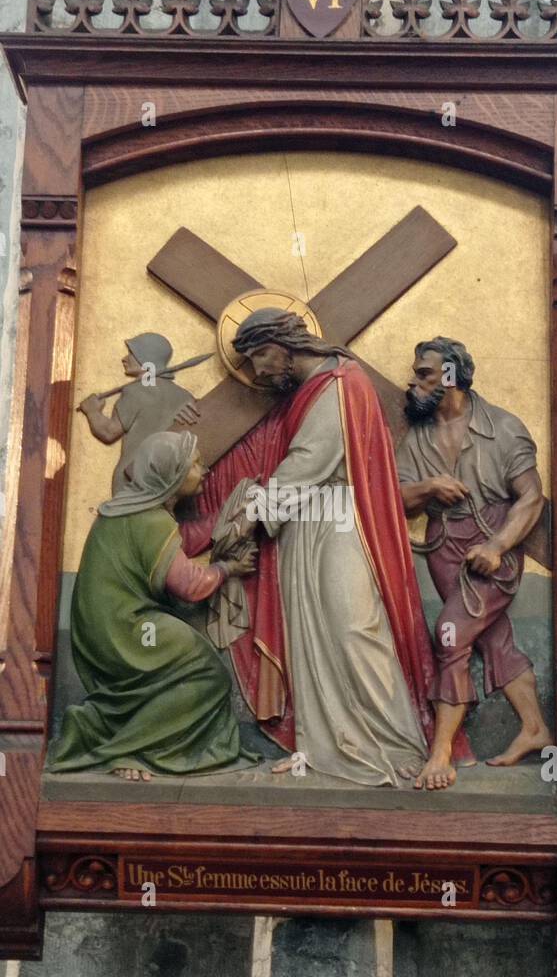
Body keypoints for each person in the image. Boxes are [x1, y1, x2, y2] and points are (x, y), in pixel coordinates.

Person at [182, 307, 473, 790]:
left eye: (260, 356)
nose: (257, 370)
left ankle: (395, 744)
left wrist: (254, 511)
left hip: (340, 523)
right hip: (303, 528)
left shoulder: (341, 381)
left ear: (286, 342)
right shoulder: (307, 392)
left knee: (354, 626)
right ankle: (322, 750)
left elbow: (311, 460)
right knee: (311, 639)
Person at [46, 431, 257, 780]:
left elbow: (177, 543)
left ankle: (94, 725)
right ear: (171, 474)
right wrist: (227, 568)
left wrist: (225, 519)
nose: (204, 471)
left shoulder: (127, 513)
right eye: (195, 465)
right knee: (209, 676)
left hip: (101, 629)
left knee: (161, 683)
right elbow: (190, 585)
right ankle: (132, 749)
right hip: (128, 631)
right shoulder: (151, 521)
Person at [397, 335, 552, 782]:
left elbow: (531, 498)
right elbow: (399, 496)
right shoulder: (418, 436)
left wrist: (498, 547)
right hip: (443, 550)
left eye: (423, 374)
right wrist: (429, 488)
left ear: (450, 376)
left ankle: (440, 753)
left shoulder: (503, 428)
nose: (413, 382)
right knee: (494, 639)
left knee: (450, 636)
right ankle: (535, 727)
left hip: (490, 545)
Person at [79, 332, 198, 493]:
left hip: (132, 482)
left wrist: (92, 411)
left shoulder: (135, 391)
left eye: (132, 353)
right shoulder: (186, 397)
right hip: (169, 486)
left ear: (146, 359)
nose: (124, 358)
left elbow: (108, 432)